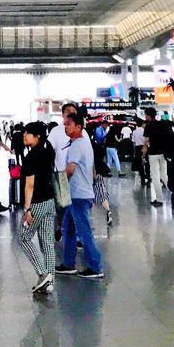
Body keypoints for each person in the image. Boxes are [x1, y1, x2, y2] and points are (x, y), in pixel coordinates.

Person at [54, 110, 104, 279]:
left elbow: (70, 170)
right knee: (68, 228)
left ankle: (95, 267)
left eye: (69, 124)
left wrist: (56, 184)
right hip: (76, 194)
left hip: (79, 195)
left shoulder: (77, 145)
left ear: (79, 126)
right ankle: (68, 264)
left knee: (84, 232)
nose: (65, 127)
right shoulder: (84, 143)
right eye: (65, 124)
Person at [19, 121, 58, 295]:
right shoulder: (48, 149)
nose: (24, 136)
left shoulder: (32, 156)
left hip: (37, 203)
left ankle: (43, 274)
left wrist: (27, 209)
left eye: (28, 133)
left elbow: (30, 185)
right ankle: (50, 282)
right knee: (47, 241)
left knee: (24, 238)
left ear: (37, 136)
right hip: (50, 201)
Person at [141, 107, 174, 206]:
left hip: (153, 153)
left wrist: (144, 150)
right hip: (163, 153)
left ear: (148, 115)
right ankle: (173, 192)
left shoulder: (148, 126)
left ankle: (159, 199)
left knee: (155, 176)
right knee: (164, 175)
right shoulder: (162, 124)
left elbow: (146, 141)